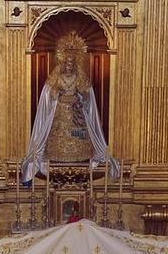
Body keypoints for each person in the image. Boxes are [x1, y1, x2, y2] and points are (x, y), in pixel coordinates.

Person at [21, 31, 119, 183]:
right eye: (67, 63)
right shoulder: (57, 77)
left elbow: (88, 96)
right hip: (59, 112)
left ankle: (80, 156)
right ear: (62, 62)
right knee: (59, 134)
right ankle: (56, 155)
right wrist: (56, 92)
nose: (69, 66)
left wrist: (81, 94)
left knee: (78, 134)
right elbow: (48, 94)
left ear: (75, 64)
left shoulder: (79, 77)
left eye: (71, 64)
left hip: (76, 113)